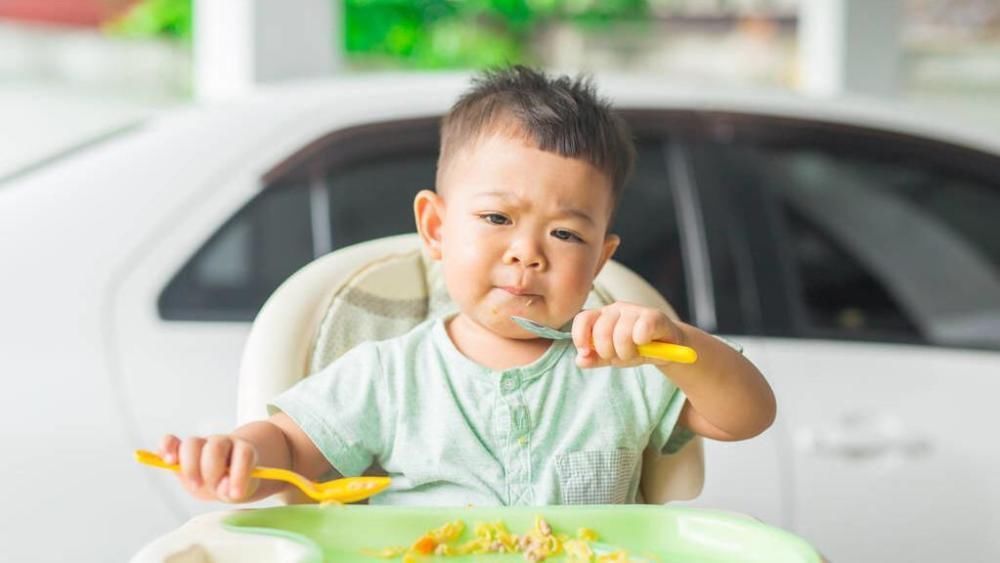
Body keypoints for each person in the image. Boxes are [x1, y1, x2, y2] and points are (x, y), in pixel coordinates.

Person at [159, 66, 776, 506]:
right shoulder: (388, 375)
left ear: (599, 259)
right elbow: (294, 451)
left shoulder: (629, 366)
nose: (526, 253)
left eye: (565, 235)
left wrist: (676, 342)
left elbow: (747, 414)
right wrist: (240, 457)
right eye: (497, 218)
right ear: (435, 227)